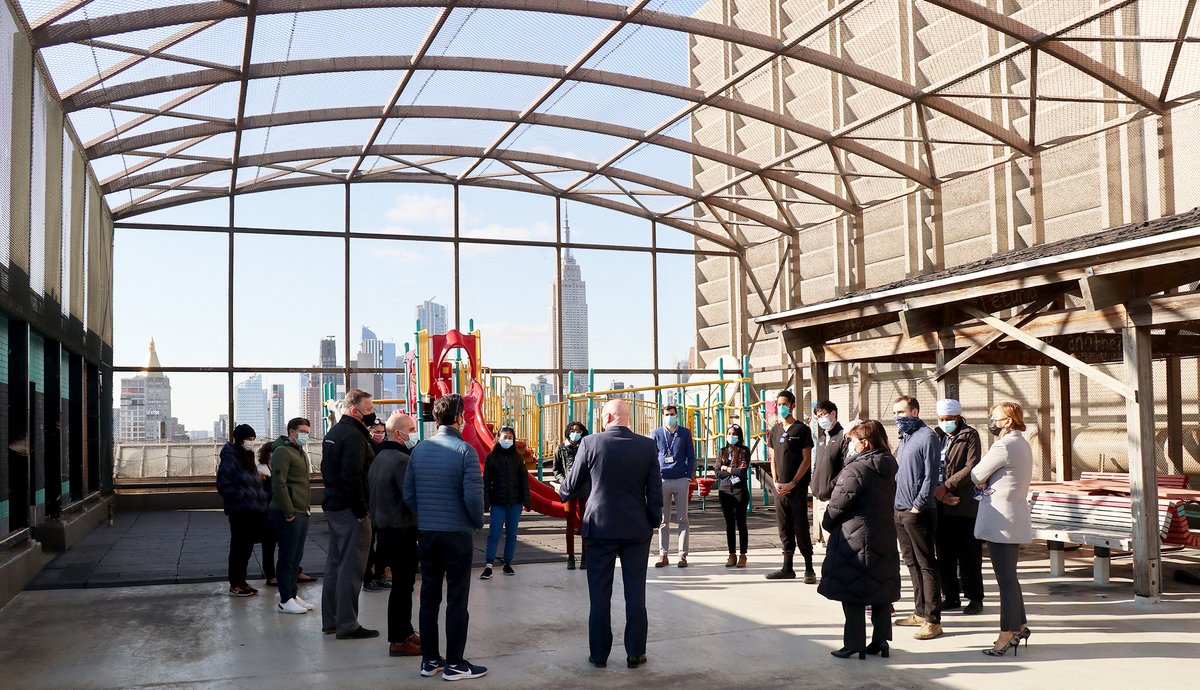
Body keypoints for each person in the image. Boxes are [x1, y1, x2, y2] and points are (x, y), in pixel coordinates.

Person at [560, 399, 662, 670]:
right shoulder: (647, 445)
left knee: (600, 594)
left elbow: (571, 485)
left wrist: (561, 491)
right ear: (627, 418)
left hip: (600, 528)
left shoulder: (590, 443)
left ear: (606, 417)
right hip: (636, 528)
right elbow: (654, 491)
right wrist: (653, 520)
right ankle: (635, 653)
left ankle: (600, 655)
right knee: (635, 593)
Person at [404, 393, 487, 681]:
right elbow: (474, 497)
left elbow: (409, 494)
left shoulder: (419, 450)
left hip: (428, 534)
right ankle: (454, 663)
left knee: (429, 597)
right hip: (457, 534)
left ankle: (429, 660)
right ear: (459, 418)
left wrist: (425, 517)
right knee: (456, 599)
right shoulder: (465, 451)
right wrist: (475, 523)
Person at [819, 420, 901, 660]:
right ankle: (881, 641)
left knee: (852, 590)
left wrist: (827, 522)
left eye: (853, 441)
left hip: (854, 537)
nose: (850, 446)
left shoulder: (857, 468)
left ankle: (854, 643)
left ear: (865, 443)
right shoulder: (887, 465)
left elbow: (839, 503)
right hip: (882, 534)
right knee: (879, 589)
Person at [971, 402, 1033, 657]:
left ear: (1008, 421)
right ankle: (1020, 625)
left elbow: (976, 474)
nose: (991, 421)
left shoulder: (1004, 445)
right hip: (1014, 515)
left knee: (1005, 579)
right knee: (1010, 576)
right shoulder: (1022, 443)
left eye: (994, 418)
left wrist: (983, 477)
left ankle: (1007, 633)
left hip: (1001, 522)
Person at [320, 389, 378, 640]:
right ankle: (347, 624)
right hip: (351, 510)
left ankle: (331, 620)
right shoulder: (355, 436)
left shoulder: (333, 433)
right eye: (368, 409)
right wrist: (360, 511)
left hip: (334, 506)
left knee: (335, 564)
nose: (372, 413)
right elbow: (353, 476)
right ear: (354, 410)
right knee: (351, 568)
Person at [368, 411, 422, 657]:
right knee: (403, 587)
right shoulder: (402, 461)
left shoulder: (380, 457)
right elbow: (411, 497)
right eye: (411, 430)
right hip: (401, 531)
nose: (415, 434)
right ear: (398, 433)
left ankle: (405, 631)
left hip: (384, 530)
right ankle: (399, 639)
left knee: (401, 586)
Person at [892, 395, 943, 640]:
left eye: (902, 412)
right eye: (895, 413)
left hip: (917, 511)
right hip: (900, 510)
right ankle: (920, 611)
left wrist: (918, 505)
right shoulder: (905, 438)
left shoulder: (928, 437)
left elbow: (931, 475)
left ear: (915, 411)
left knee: (926, 563)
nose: (898, 417)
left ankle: (933, 619)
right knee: (911, 562)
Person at [932, 398, 984, 616]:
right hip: (941, 504)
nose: (945, 423)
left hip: (963, 504)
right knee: (944, 554)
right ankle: (950, 596)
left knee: (969, 554)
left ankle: (974, 597)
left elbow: (971, 466)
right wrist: (940, 493)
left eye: (949, 419)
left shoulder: (969, 435)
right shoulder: (936, 435)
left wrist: (947, 486)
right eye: (942, 419)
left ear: (958, 417)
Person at [267, 417, 316, 614]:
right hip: (287, 512)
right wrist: (288, 512)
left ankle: (293, 594)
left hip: (301, 510)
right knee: (287, 556)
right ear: (291, 432)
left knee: (296, 556)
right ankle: (285, 599)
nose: (305, 434)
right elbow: (279, 484)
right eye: (302, 431)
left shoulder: (300, 451)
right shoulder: (282, 452)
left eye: (307, 431)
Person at [766, 390, 815, 582]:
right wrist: (776, 481)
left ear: (793, 405)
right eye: (779, 404)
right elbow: (774, 459)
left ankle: (809, 568)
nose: (781, 407)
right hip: (780, 490)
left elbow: (806, 459)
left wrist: (793, 482)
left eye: (785, 404)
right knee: (784, 528)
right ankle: (787, 567)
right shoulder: (775, 430)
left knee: (800, 526)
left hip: (797, 489)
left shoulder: (802, 430)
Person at [216, 424, 268, 597]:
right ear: (239, 440)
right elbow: (224, 485)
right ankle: (236, 584)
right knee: (239, 548)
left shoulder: (246, 456)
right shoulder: (231, 457)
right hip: (241, 511)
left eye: (253, 439)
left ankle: (241, 581)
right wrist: (244, 497)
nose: (251, 443)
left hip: (252, 511)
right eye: (248, 439)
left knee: (245, 548)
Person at [482, 426, 532, 580]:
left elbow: (524, 480)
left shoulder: (518, 457)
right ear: (498, 438)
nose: (507, 440)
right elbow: (486, 481)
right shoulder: (491, 457)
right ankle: (489, 565)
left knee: (512, 534)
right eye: (505, 437)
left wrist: (527, 500)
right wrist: (487, 501)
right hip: (498, 502)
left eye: (510, 437)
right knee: (494, 533)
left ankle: (507, 562)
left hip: (515, 503)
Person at [651, 404, 695, 568]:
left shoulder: (684, 433)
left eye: (672, 414)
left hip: (680, 480)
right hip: (662, 479)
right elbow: (652, 456)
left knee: (683, 518)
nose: (669, 417)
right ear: (663, 416)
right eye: (667, 414)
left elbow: (691, 456)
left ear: (677, 416)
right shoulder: (656, 433)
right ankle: (663, 554)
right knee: (664, 520)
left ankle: (682, 555)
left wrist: (688, 477)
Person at [553, 421, 590, 570]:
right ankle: (570, 556)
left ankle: (585, 556)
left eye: (578, 430)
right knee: (570, 522)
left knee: (584, 522)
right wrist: (564, 482)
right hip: (569, 489)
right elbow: (556, 469)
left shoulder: (585, 447)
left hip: (584, 489)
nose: (575, 433)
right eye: (573, 430)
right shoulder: (561, 448)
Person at [810, 400, 847, 546]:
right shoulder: (821, 440)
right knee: (829, 540)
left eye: (824, 414)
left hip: (834, 497)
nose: (821, 419)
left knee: (836, 542)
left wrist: (832, 485)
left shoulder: (843, 437)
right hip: (819, 497)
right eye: (818, 416)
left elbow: (846, 467)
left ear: (833, 413)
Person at [715, 424, 751, 568]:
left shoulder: (744, 451)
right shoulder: (722, 451)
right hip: (725, 490)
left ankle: (743, 554)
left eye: (734, 433)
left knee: (741, 523)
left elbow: (742, 472)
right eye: (729, 433)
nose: (731, 436)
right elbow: (717, 472)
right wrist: (731, 470)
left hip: (739, 490)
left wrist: (727, 468)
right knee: (729, 524)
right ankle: (732, 554)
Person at [363, 418, 389, 592]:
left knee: (384, 543)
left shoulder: (387, 448)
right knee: (368, 543)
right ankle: (368, 578)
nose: (378, 434)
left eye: (381, 431)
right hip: (369, 502)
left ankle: (380, 574)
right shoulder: (364, 447)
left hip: (384, 503)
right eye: (375, 431)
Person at [252, 443, 278, 590]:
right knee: (269, 545)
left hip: (278, 511)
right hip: (266, 513)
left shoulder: (277, 468)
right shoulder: (260, 470)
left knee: (289, 545)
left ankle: (293, 570)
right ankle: (271, 574)